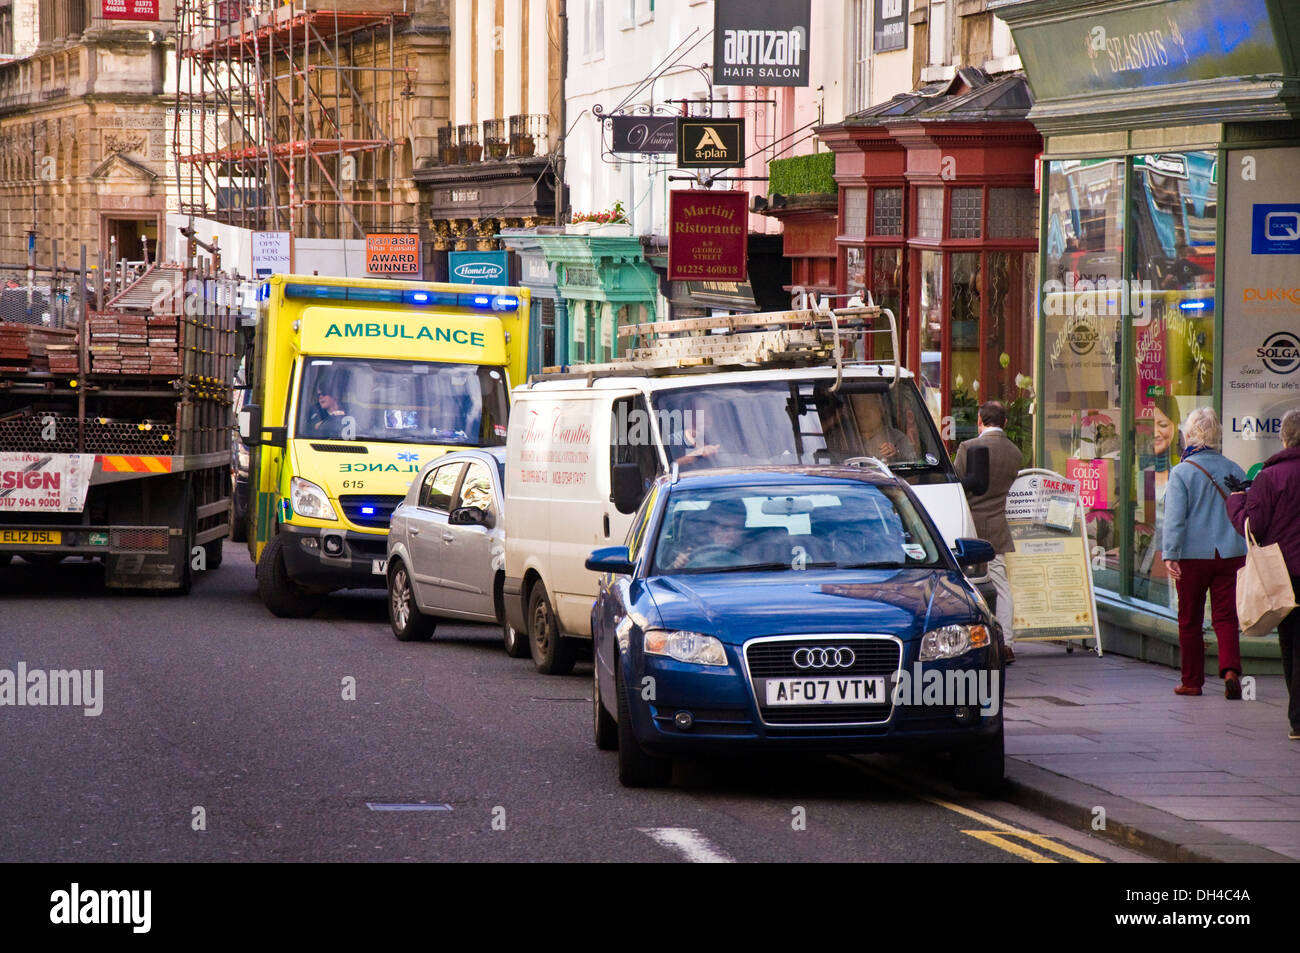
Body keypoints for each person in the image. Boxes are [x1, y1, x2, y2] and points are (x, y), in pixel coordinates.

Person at [1162, 408, 1247, 698]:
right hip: (1231, 553)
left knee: (1190, 619)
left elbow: (1175, 518)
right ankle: (1231, 671)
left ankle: (1192, 681)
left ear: (1190, 435)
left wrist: (1170, 553)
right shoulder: (1235, 469)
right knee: (1225, 617)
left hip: (1191, 556)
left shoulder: (1182, 472)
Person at [1227, 409, 1300, 737]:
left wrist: (1237, 500)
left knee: (1290, 641)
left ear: (1284, 437)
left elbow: (1252, 526)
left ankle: (1298, 718)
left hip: (1284, 572)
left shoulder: (1270, 477)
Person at [954, 400, 1022, 664]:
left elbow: (958, 486)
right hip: (997, 526)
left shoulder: (968, 447)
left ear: (979, 421)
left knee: (965, 587)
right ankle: (1007, 643)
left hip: (969, 526)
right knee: (1002, 587)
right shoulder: (1015, 452)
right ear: (1004, 422)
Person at [1137, 395, 1179, 606]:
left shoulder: (1183, 474)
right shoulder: (1145, 475)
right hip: (1151, 564)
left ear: (1175, 426)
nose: (1155, 432)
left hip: (1177, 561)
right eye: (1150, 425)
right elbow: (1145, 522)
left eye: (1162, 424)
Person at [668, 499, 750, 570]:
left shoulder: (755, 553)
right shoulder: (691, 554)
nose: (732, 534)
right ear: (711, 531)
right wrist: (677, 566)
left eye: (738, 528)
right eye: (724, 528)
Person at [855, 394, 917, 462]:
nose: (864, 412)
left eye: (869, 407)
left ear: (881, 409)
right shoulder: (846, 439)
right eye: (858, 408)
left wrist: (896, 455)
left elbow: (913, 462)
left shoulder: (898, 438)